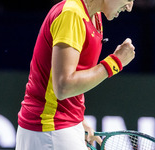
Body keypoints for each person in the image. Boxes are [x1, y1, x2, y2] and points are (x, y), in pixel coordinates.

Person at [16, 0, 135, 149]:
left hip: (60, 125)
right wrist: (115, 63)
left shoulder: (94, 16)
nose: (129, 7)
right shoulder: (71, 14)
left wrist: (79, 119)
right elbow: (63, 87)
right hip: (50, 129)